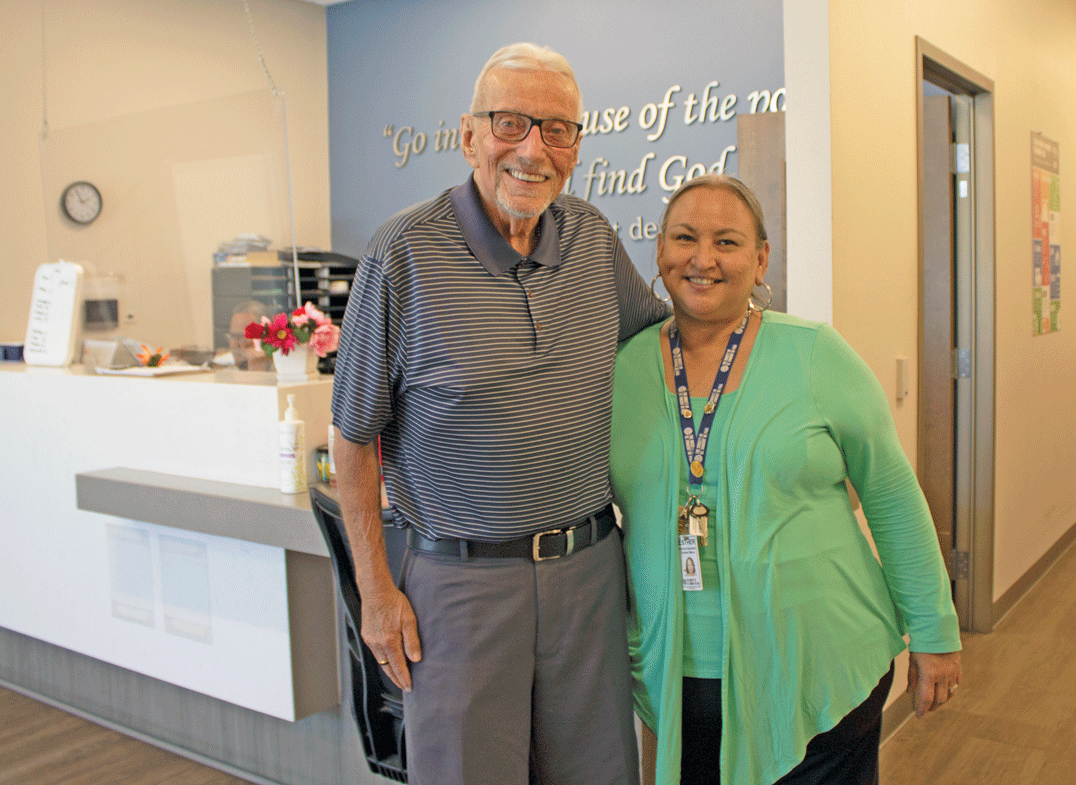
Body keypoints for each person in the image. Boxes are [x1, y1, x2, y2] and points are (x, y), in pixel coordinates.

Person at [330, 43, 670, 785]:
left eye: (557, 129)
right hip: (459, 587)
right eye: (510, 123)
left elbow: (661, 343)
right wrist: (375, 592)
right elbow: (352, 438)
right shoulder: (402, 253)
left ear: (575, 146)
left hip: (589, 574)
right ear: (469, 135)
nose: (532, 150)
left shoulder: (591, 237)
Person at [609, 175, 962, 785]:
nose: (703, 259)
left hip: (820, 662)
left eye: (727, 242)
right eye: (685, 238)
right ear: (659, 251)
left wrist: (934, 630)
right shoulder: (625, 367)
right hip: (677, 676)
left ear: (761, 259)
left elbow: (891, 495)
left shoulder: (815, 355)